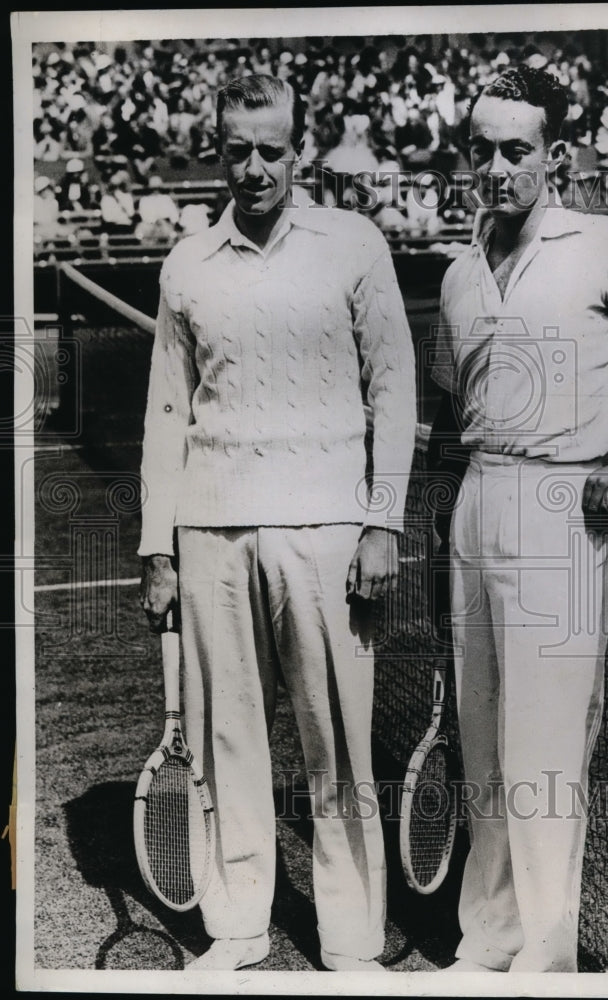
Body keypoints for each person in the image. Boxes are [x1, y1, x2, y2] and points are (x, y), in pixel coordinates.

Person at [428, 65, 608, 974]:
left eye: (517, 150)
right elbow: (451, 415)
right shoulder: (456, 272)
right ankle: (486, 942)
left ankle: (545, 961)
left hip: (562, 508)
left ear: (553, 155)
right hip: (477, 502)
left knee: (544, 742)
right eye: (483, 150)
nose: (498, 169)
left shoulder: (605, 244)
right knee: (481, 737)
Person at [138, 73, 417, 973]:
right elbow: (167, 416)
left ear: (298, 149)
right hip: (211, 528)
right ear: (216, 149)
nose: (253, 168)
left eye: (271, 149)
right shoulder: (186, 262)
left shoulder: (353, 243)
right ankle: (239, 928)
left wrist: (383, 522)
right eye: (236, 150)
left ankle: (350, 940)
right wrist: (156, 548)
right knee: (228, 740)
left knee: (336, 744)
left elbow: (393, 387)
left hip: (328, 532)